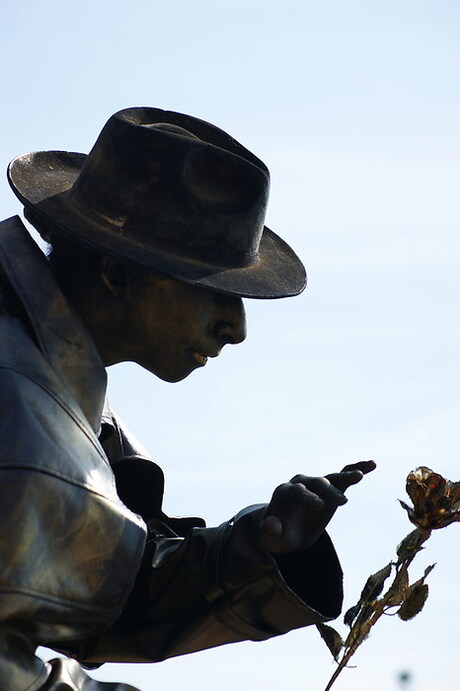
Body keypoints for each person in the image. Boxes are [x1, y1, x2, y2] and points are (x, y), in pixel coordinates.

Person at [0, 106, 375, 690]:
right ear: (115, 273)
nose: (237, 327)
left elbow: (95, 594)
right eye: (211, 290)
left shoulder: (57, 389)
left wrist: (257, 548)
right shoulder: (17, 405)